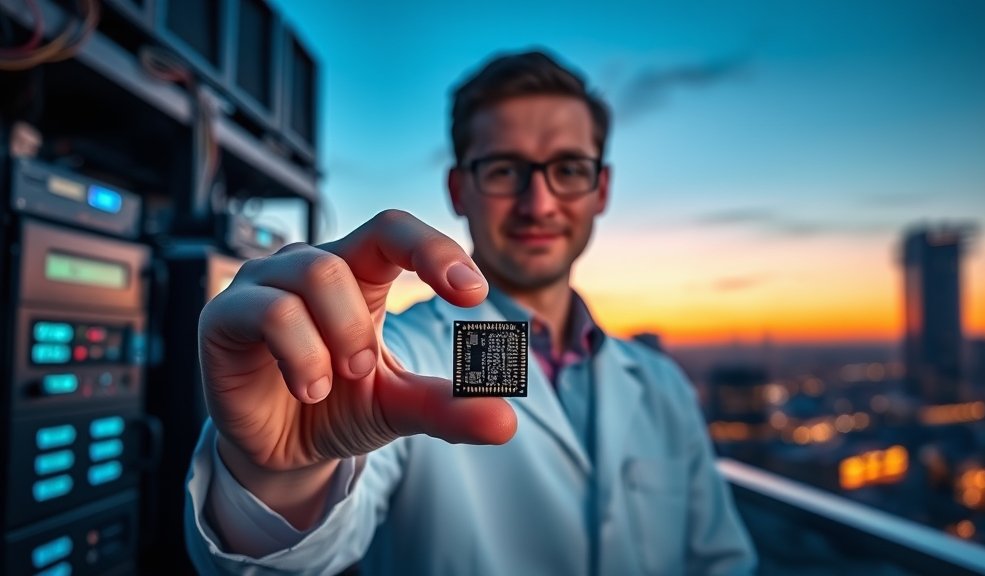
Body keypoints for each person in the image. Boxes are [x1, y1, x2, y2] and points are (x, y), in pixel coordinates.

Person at [185, 50, 757, 576]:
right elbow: (288, 560)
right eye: (505, 170)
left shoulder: (659, 385)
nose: (539, 203)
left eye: (569, 168)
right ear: (459, 190)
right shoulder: (400, 356)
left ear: (600, 189)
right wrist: (279, 479)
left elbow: (719, 561)